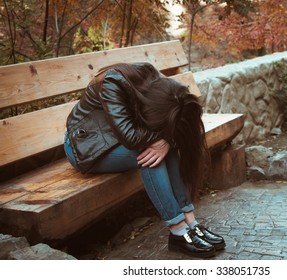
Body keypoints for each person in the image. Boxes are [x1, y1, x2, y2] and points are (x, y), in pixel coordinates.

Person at [63, 62, 225, 258]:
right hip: (87, 146)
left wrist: (167, 140)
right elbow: (130, 136)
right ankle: (178, 231)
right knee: (149, 158)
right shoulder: (111, 83)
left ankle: (191, 222)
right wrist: (164, 139)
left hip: (116, 140)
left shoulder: (150, 76)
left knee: (165, 151)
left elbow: (162, 125)